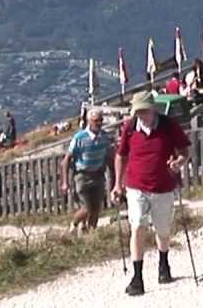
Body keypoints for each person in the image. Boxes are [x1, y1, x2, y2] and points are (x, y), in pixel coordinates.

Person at [111, 92, 191, 296]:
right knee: (137, 225)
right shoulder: (130, 127)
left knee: (163, 231)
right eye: (138, 112)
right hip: (136, 186)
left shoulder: (168, 125)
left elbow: (184, 151)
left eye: (144, 111)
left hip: (163, 186)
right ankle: (137, 278)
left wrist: (178, 163)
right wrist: (117, 185)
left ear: (153, 108)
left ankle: (163, 264)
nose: (141, 115)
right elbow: (121, 156)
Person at [60, 108, 113, 233]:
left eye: (101, 120)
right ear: (89, 121)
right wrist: (65, 182)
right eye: (96, 121)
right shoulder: (79, 138)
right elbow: (66, 159)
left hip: (98, 175)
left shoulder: (104, 137)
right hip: (82, 176)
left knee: (97, 207)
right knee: (87, 207)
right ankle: (74, 224)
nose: (99, 123)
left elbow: (109, 156)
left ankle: (91, 233)